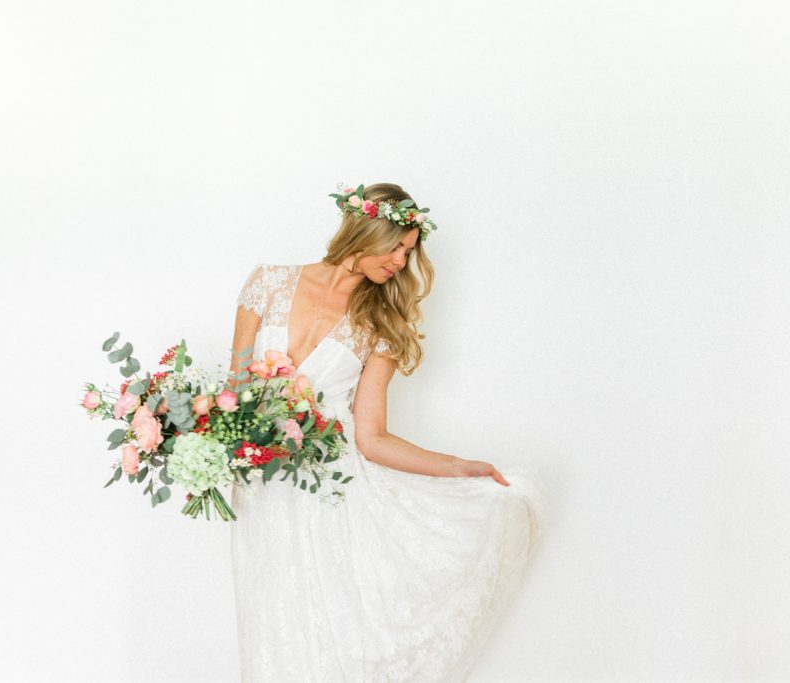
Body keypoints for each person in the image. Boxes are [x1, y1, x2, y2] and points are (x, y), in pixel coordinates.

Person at [228, 182, 549, 682]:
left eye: (409, 252)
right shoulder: (267, 282)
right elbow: (235, 390)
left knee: (340, 633)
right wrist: (205, 438)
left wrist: (460, 468)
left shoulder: (379, 326)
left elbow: (372, 437)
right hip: (263, 486)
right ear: (365, 228)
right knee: (275, 626)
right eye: (397, 247)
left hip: (330, 490)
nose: (401, 262)